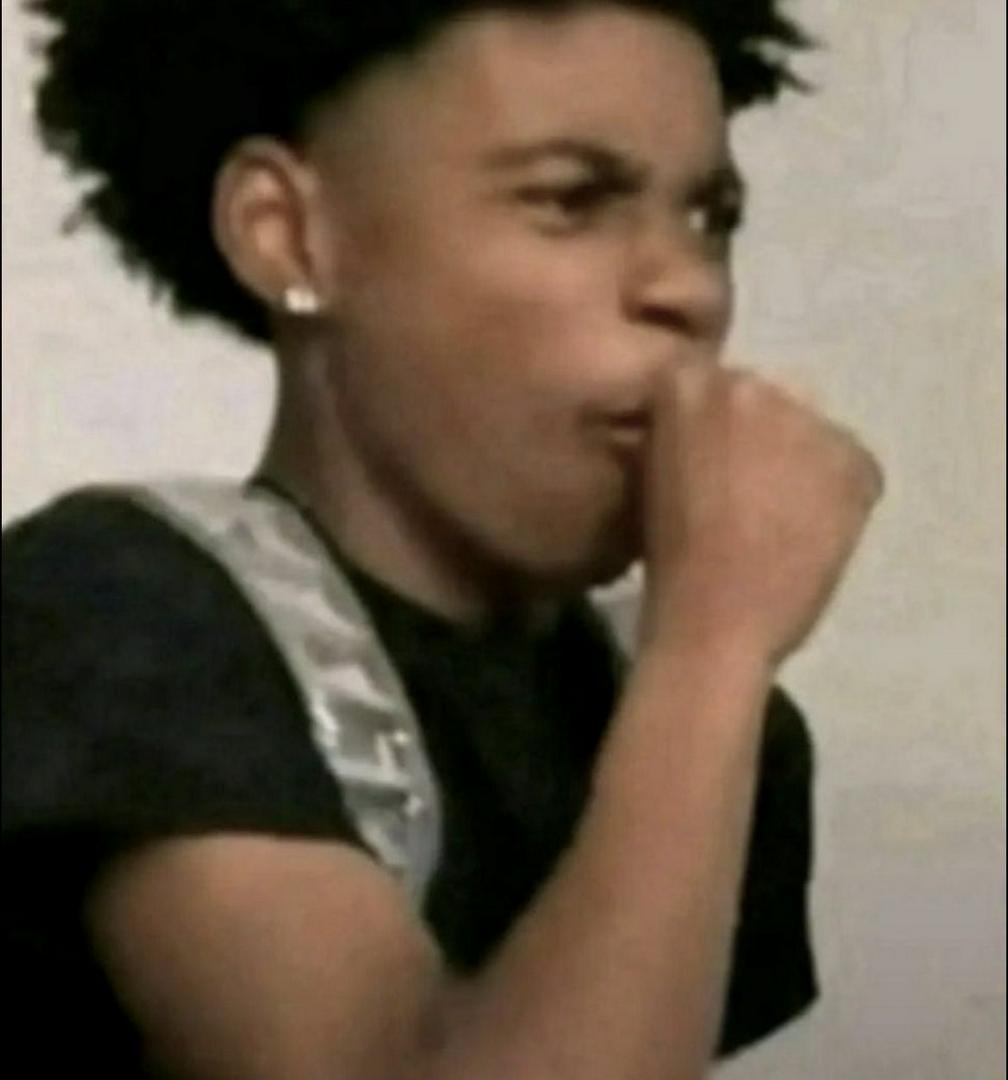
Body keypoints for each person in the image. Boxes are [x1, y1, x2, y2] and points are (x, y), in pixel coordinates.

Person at [3, 2, 884, 1077]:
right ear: (288, 235)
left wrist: (704, 676)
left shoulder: (668, 709)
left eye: (711, 216)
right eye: (570, 200)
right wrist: (712, 654)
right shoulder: (118, 611)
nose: (689, 287)